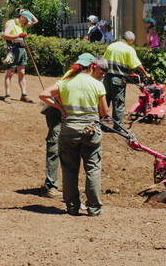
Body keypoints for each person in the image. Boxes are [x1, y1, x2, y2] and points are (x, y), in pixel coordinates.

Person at [39, 53, 110, 216]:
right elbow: (105, 112)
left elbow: (43, 95)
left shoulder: (65, 82)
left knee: (69, 169)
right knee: (93, 168)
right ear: (92, 66)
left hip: (69, 129)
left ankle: (72, 206)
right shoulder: (97, 84)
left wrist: (60, 108)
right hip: (91, 130)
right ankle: (94, 208)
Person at [103, 31, 150, 128]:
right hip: (118, 79)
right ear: (131, 40)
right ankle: (118, 127)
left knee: (105, 100)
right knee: (118, 103)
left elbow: (105, 62)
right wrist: (146, 73)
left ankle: (99, 123)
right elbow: (137, 64)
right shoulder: (129, 50)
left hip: (106, 78)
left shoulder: (111, 46)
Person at [1, 9, 38, 103]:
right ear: (22, 17)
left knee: (22, 72)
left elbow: (35, 21)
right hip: (13, 49)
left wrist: (29, 12)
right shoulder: (10, 23)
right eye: (26, 19)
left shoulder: (23, 24)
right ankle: (7, 95)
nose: (27, 22)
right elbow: (5, 35)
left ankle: (24, 95)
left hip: (22, 50)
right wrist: (18, 35)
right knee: (10, 72)